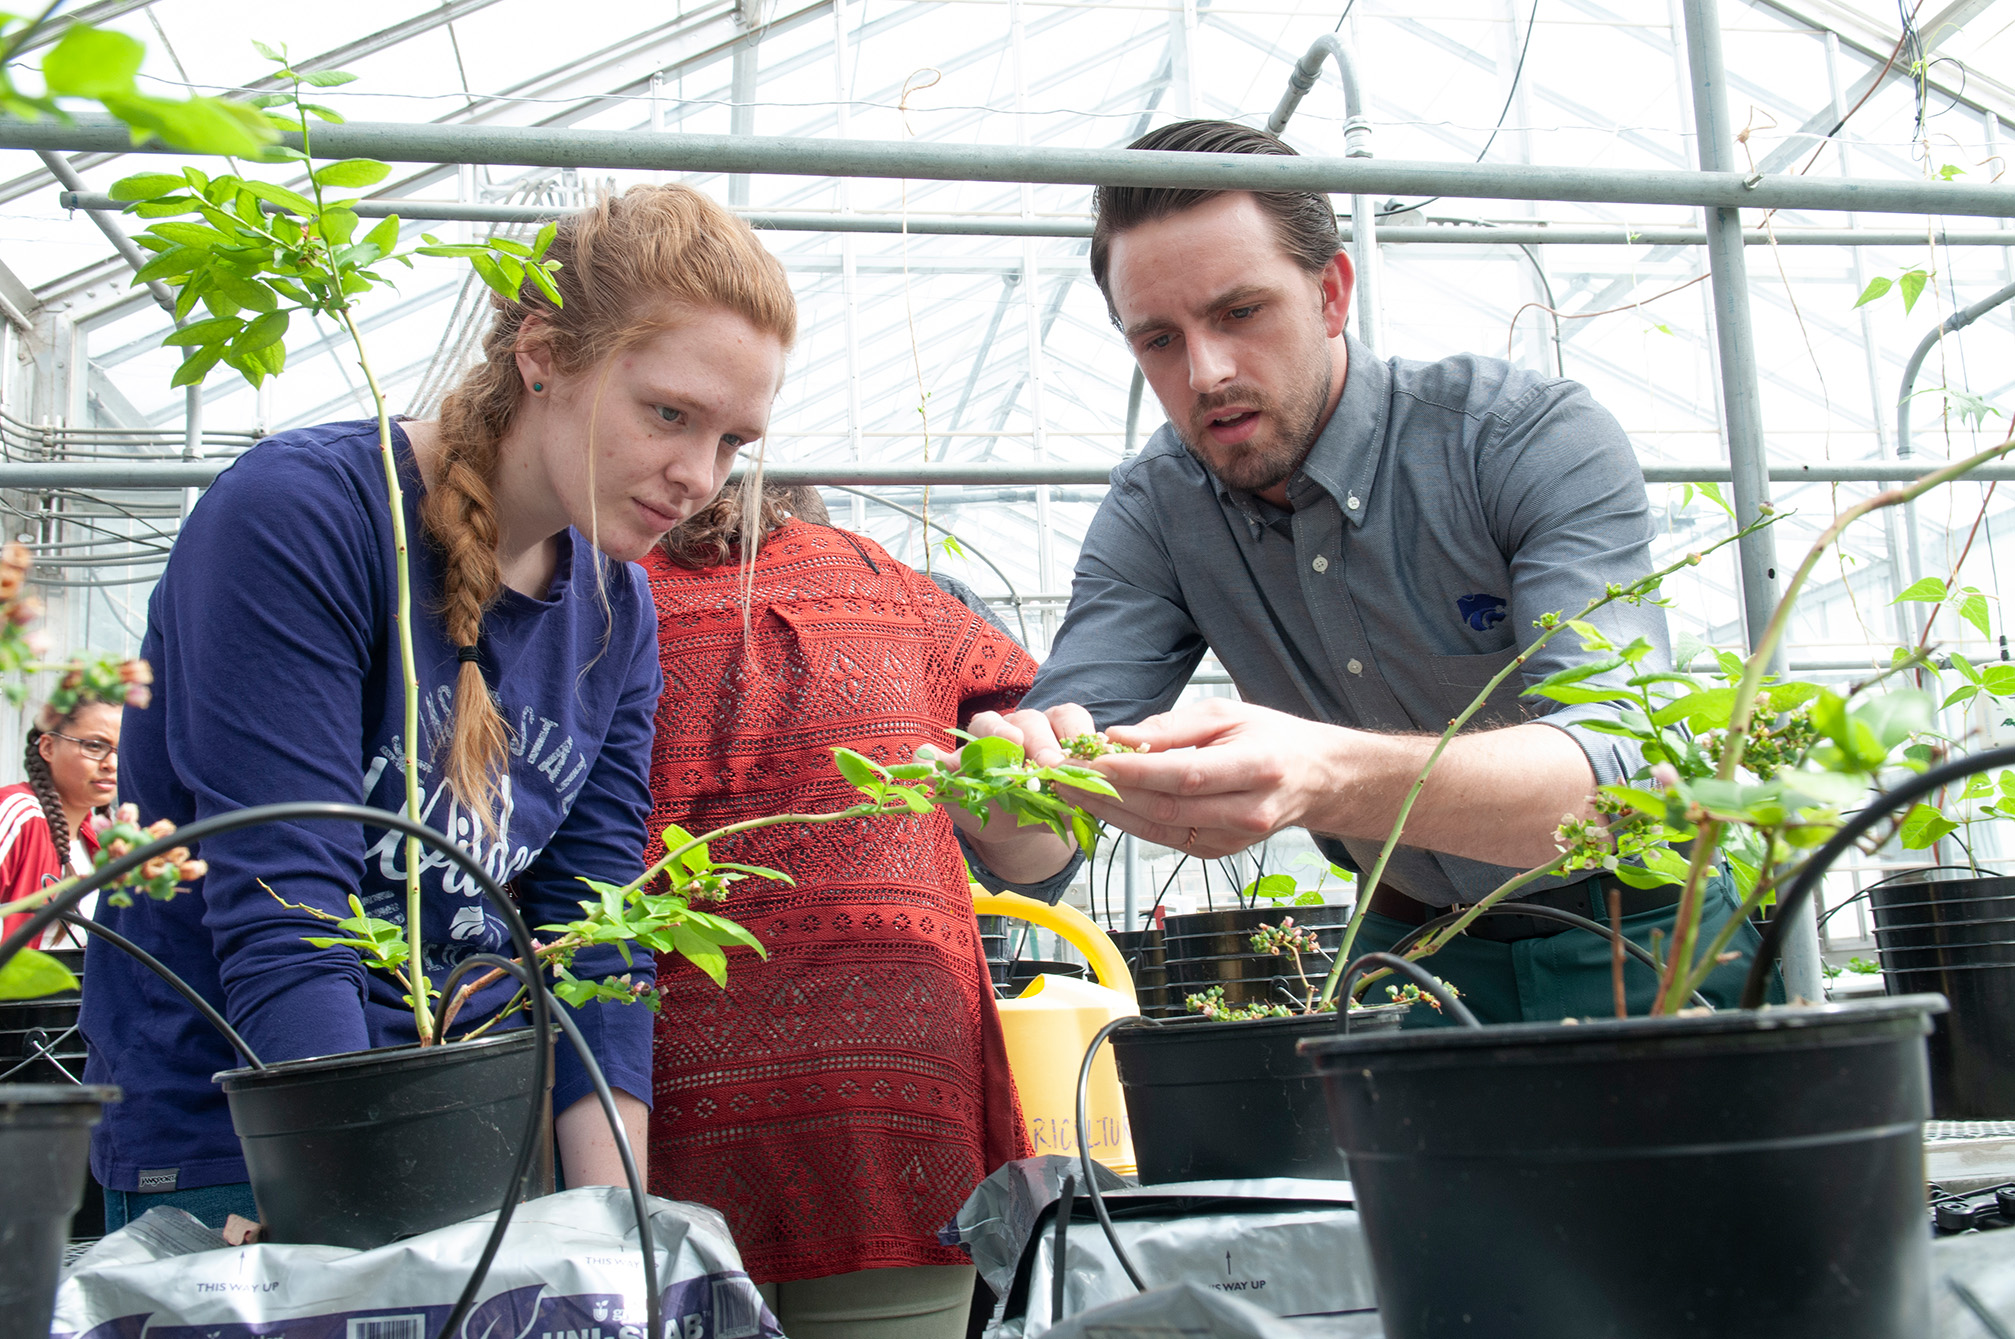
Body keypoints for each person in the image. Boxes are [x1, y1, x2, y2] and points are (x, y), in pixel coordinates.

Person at [81, 183, 797, 1230]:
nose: (698, 475)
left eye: (733, 441)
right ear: (542, 352)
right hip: (246, 1152)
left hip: (463, 1147)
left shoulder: (615, 605)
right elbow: (292, 911)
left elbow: (592, 935)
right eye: (668, 413)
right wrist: (356, 1204)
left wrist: (614, 1237)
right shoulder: (303, 522)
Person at [958, 119, 1773, 1022]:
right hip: (1410, 947)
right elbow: (1043, 831)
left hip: (1646, 927)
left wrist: (1328, 774)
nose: (1206, 370)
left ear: (1331, 293)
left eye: (1239, 312)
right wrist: (1008, 802)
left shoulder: (1519, 439)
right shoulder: (1159, 507)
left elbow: (1623, 778)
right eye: (1158, 338)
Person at [644, 481, 1053, 1339]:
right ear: (807, 516)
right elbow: (1044, 840)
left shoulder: (604, 596)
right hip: (896, 1090)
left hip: (671, 1092)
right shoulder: (890, 582)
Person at [0, 699, 118, 948]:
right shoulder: (17, 813)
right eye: (95, 746)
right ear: (48, 748)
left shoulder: (105, 837)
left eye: (124, 749)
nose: (111, 764)